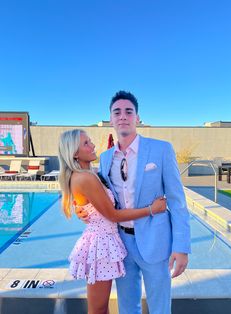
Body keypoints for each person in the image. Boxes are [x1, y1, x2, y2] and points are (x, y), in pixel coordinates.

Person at [92, 91, 191, 314]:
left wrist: (181, 246)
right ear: (110, 119)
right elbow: (106, 200)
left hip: (156, 242)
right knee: (127, 307)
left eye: (129, 111)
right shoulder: (106, 157)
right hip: (121, 244)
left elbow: (177, 201)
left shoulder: (161, 149)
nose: (123, 116)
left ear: (137, 118)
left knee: (160, 307)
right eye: (117, 112)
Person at [58, 129, 167, 314]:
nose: (92, 145)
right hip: (100, 245)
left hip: (104, 241)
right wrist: (151, 209)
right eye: (86, 143)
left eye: (90, 141)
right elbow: (113, 215)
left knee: (101, 307)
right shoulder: (84, 178)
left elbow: (93, 204)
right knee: (98, 308)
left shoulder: (89, 173)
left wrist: (81, 208)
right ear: (74, 152)